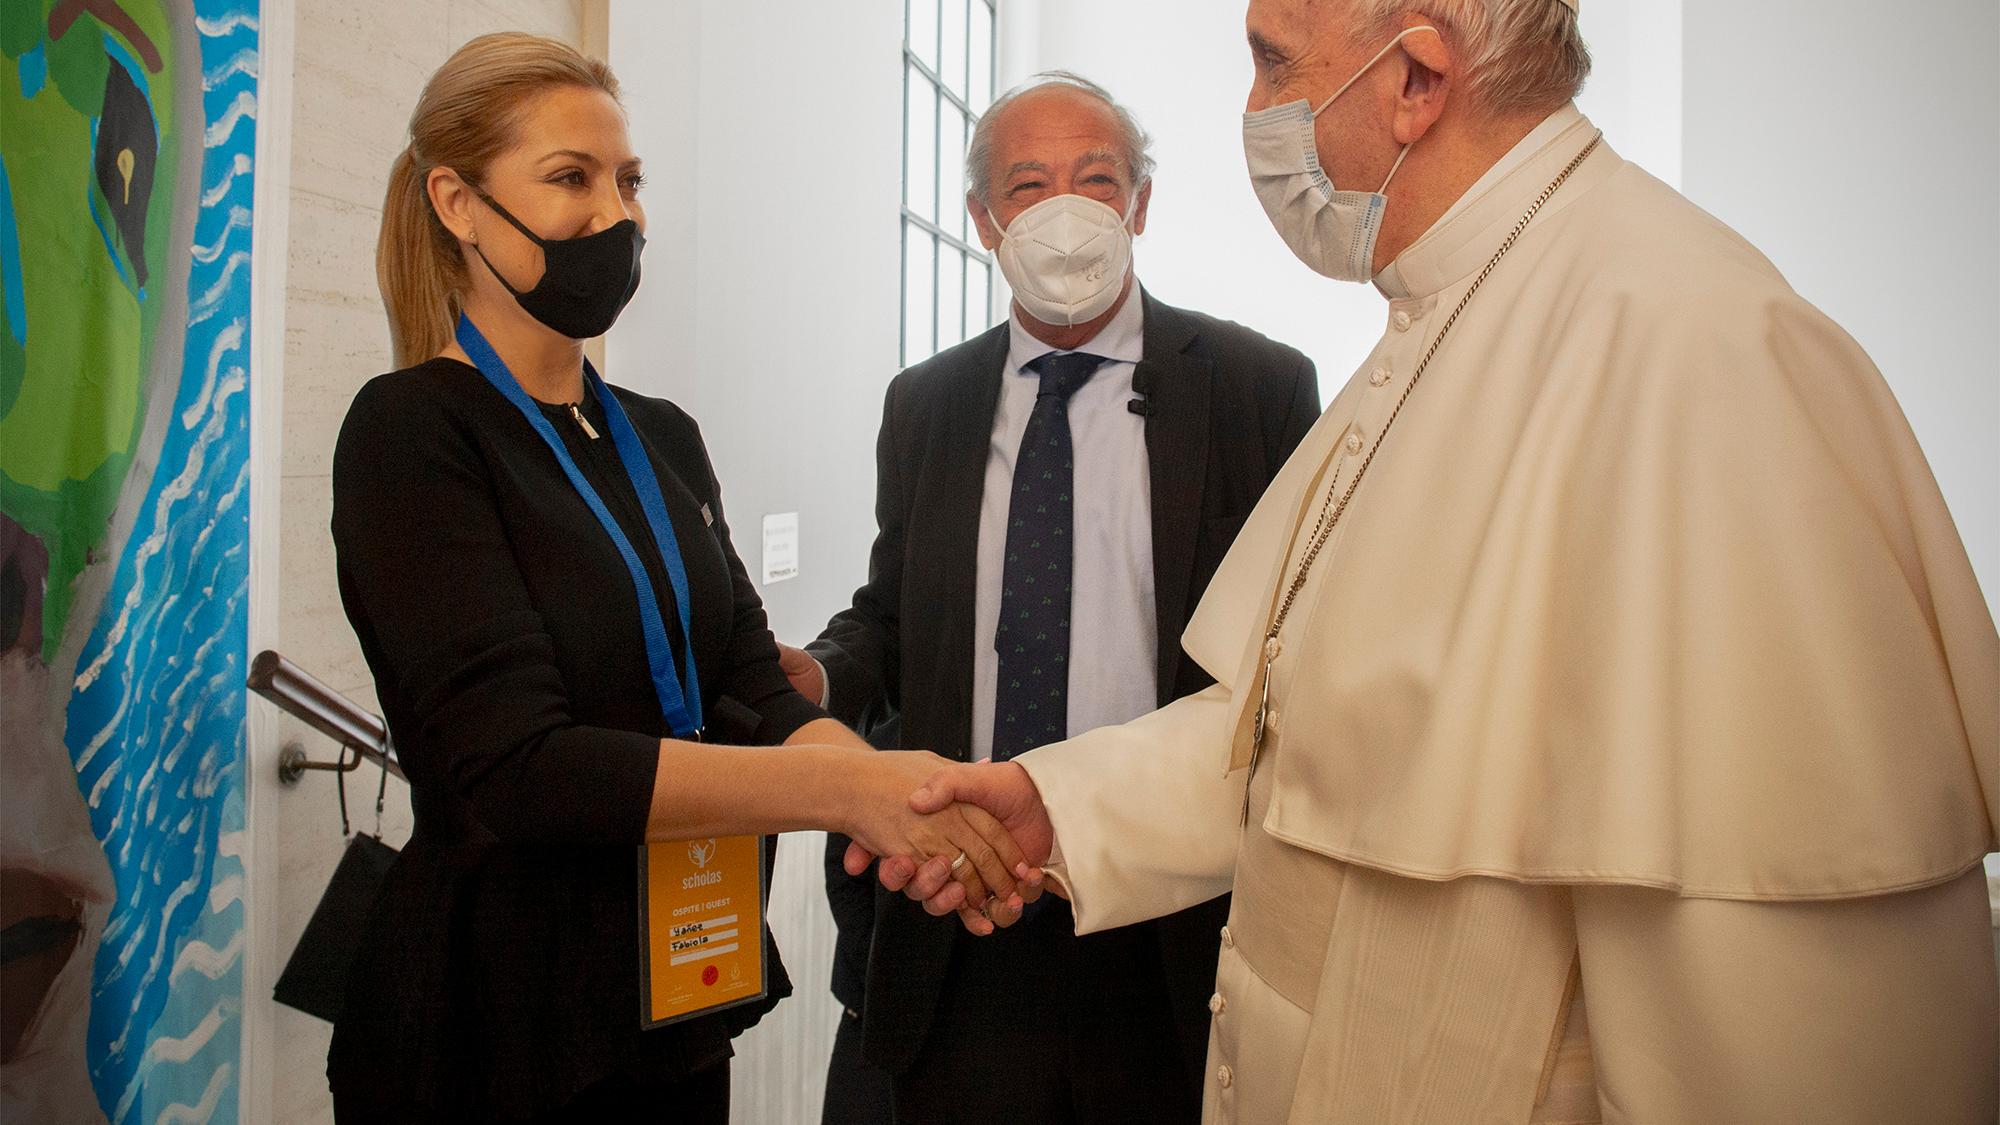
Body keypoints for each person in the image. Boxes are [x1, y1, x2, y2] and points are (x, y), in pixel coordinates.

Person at [877, 1, 2000, 1121]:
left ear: (1413, 79)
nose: (1254, 112)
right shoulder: (1448, 311)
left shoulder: (1701, 348)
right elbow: (1316, 731)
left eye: (1271, 65)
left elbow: (1765, 1032)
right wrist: (1055, 804)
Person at [327, 34, 1025, 1123]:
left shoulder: (659, 438)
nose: (620, 215)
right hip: (494, 1024)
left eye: (629, 180)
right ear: (456, 203)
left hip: (673, 1004)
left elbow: (748, 685)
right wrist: (850, 792)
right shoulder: (410, 434)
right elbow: (519, 767)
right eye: (571, 178)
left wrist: (913, 803)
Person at [784, 72, 1320, 1125]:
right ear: (983, 219)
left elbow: (1293, 650)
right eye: (1028, 186)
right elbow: (893, 614)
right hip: (959, 905)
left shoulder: (1258, 389)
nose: (1065, 210)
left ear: (1140, 206)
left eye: (1097, 179)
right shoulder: (925, 404)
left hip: (1170, 918)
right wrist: (819, 673)